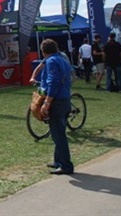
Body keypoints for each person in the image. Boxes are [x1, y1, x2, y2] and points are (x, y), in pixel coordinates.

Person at [39, 39, 74, 175]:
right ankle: (58, 161)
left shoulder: (51, 61)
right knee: (59, 131)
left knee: (58, 135)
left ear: (43, 51)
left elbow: (53, 82)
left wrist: (47, 102)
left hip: (57, 101)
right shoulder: (62, 59)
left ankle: (66, 165)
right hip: (65, 99)